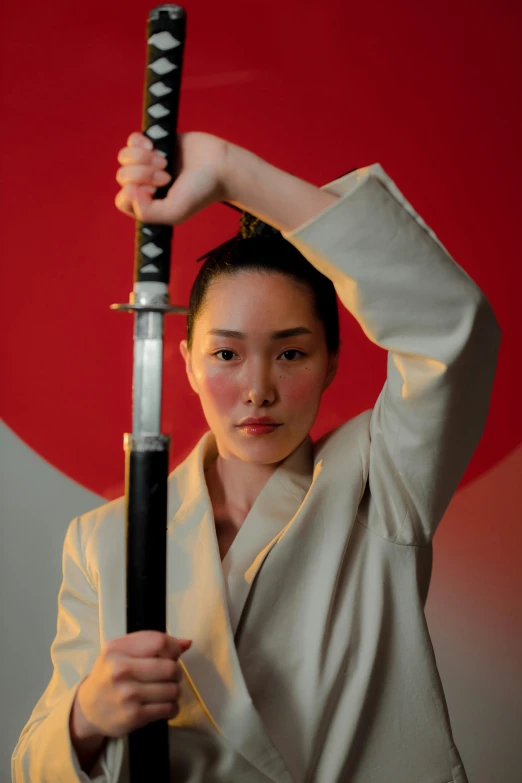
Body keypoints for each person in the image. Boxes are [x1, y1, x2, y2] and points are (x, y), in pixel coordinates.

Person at [12, 130, 501, 783]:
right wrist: (87, 716)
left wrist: (229, 172)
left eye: (291, 351)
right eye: (227, 353)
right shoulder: (104, 541)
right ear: (184, 362)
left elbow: (451, 328)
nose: (258, 388)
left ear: (332, 360)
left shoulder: (379, 479)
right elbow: (33, 765)